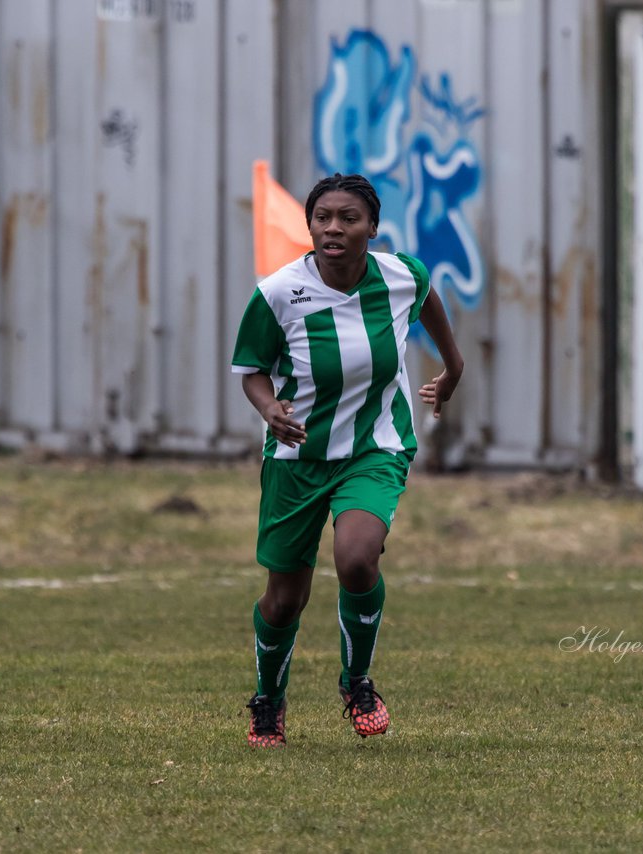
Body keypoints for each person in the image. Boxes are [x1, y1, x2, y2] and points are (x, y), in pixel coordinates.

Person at [230, 172, 464, 747]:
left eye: (348, 218)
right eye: (322, 218)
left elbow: (427, 294)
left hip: (375, 446)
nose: (334, 228)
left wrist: (452, 367)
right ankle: (268, 700)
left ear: (372, 228)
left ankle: (357, 682)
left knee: (357, 557)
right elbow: (252, 370)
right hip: (297, 456)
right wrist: (269, 410)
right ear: (309, 226)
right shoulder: (278, 292)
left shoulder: (399, 274)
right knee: (285, 600)